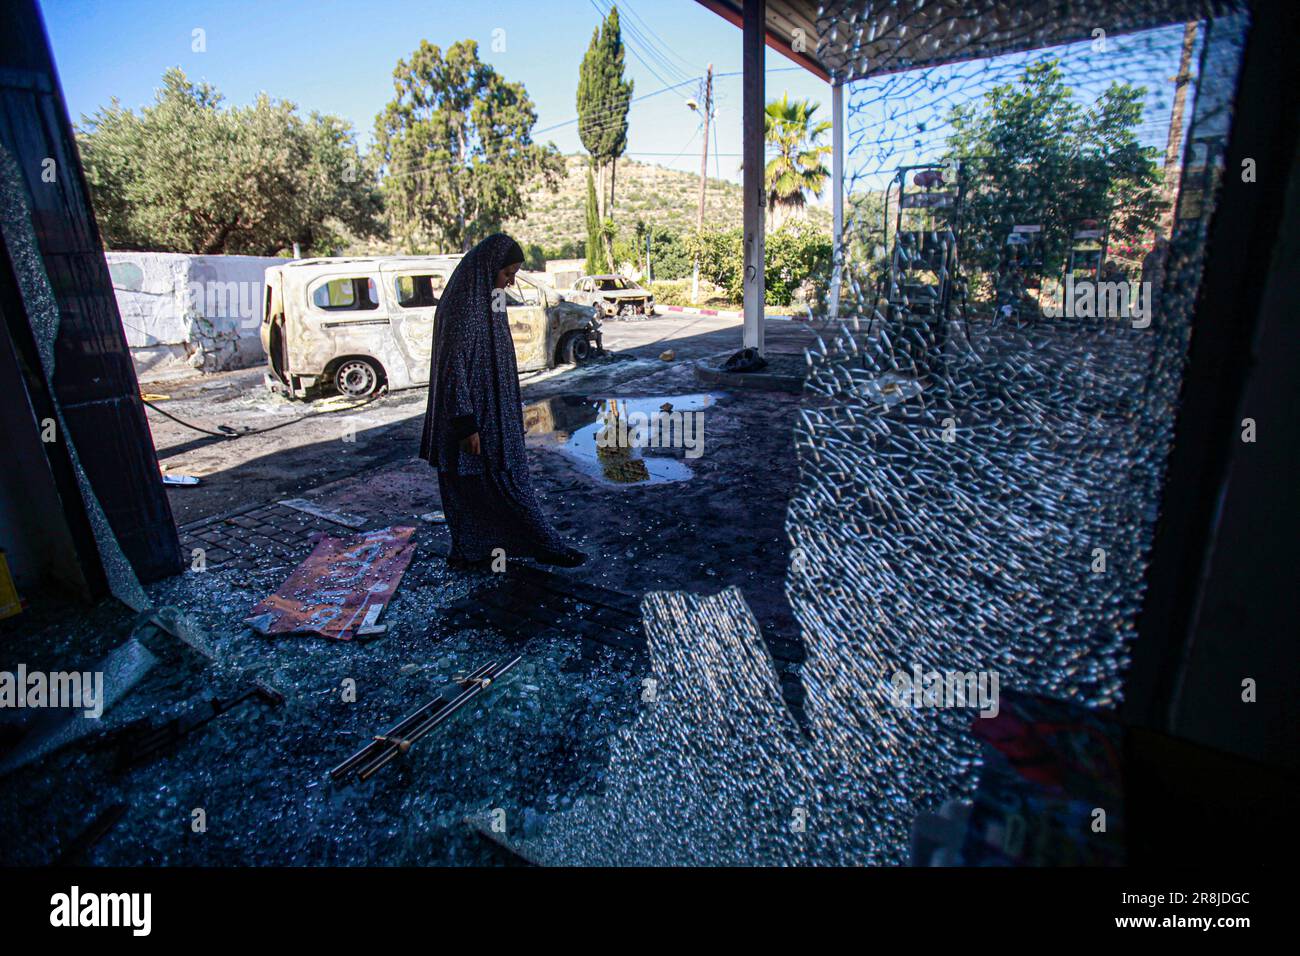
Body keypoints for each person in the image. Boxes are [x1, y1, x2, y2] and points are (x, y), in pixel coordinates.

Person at [419, 233, 585, 570]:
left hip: (493, 412)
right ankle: (500, 549)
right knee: (480, 486)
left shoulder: (487, 299)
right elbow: (453, 370)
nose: (509, 282)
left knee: (496, 482)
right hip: (473, 417)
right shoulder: (463, 306)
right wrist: (465, 423)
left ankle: (514, 547)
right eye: (506, 273)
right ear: (486, 268)